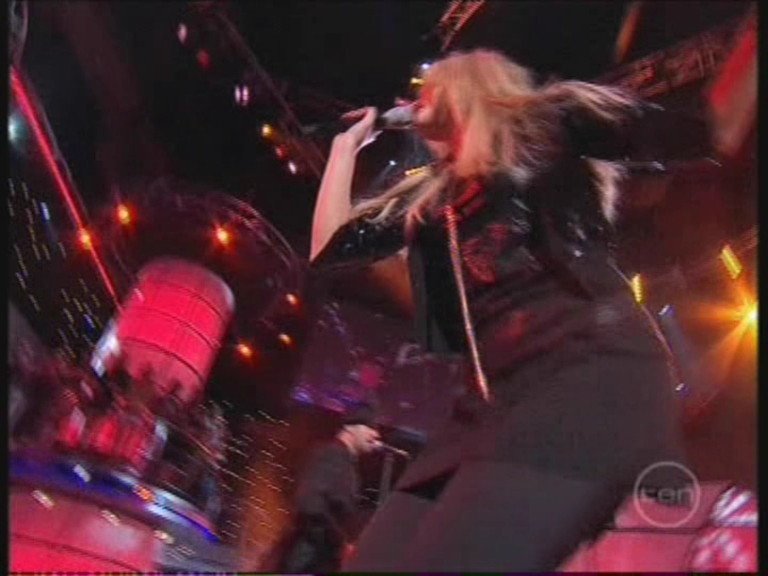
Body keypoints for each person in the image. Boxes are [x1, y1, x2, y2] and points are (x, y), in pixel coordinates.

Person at [309, 49, 686, 570]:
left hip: (583, 370)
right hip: (487, 406)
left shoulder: (546, 127)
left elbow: (684, 132)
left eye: (428, 88)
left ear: (471, 85)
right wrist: (344, 149)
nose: (412, 99)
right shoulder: (432, 207)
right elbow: (329, 254)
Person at [262, 403, 382, 573]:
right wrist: (340, 542)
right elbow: (308, 502)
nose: (376, 434)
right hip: (304, 559)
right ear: (349, 427)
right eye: (370, 426)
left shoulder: (346, 463)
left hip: (317, 558)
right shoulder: (330, 454)